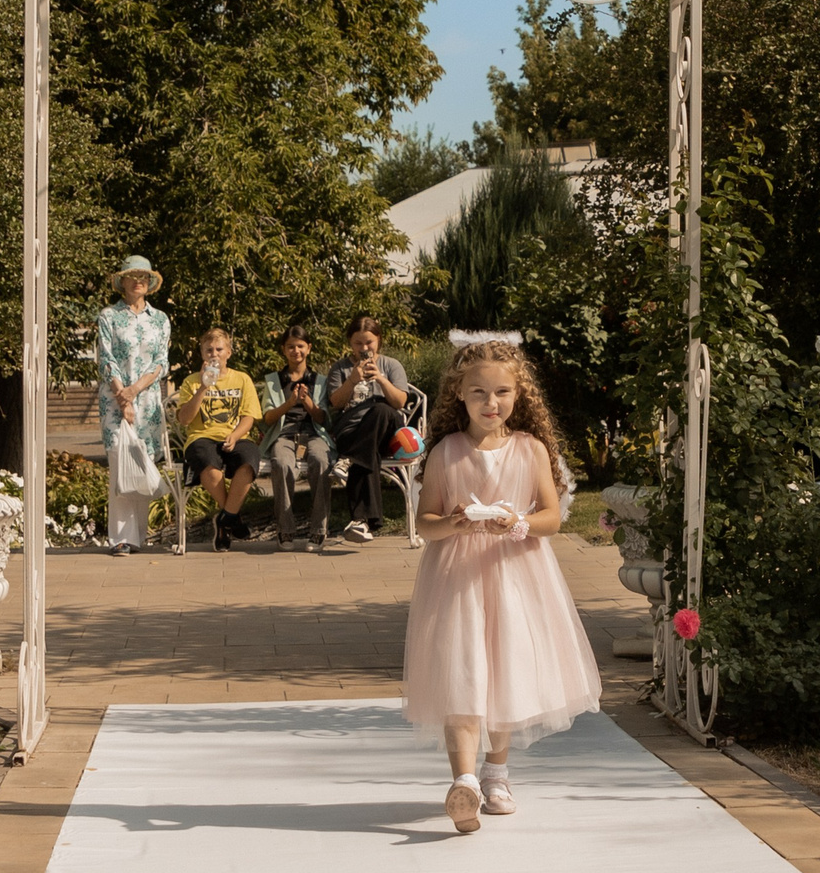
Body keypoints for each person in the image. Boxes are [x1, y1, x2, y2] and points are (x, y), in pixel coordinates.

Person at [404, 339, 602, 832]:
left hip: (516, 574)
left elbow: (552, 518)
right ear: (459, 396)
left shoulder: (530, 450)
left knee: (506, 668)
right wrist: (452, 523)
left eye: (502, 392)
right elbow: (424, 522)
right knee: (463, 671)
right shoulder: (446, 452)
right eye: (478, 393)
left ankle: (497, 772)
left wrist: (517, 522)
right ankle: (464, 782)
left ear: (520, 395)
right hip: (457, 579)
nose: (491, 403)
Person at [96, 256, 171, 555]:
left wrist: (136, 390)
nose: (137, 280)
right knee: (120, 463)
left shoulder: (160, 319)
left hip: (148, 399)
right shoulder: (109, 317)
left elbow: (160, 362)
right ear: (122, 282)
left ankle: (139, 535)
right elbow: (105, 358)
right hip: (114, 400)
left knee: (142, 463)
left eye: (143, 276)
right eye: (132, 276)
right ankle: (122, 539)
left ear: (150, 282)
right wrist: (122, 395)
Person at [172, 326, 262, 550]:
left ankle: (225, 519)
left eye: (219, 349)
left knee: (249, 461)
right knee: (207, 464)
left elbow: (249, 417)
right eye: (209, 350)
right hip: (202, 438)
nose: (214, 354)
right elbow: (184, 419)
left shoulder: (242, 379)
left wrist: (235, 435)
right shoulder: (191, 382)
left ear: (228, 353)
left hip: (236, 436)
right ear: (202, 354)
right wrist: (203, 387)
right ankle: (232, 517)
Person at [322, 315, 409, 543]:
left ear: (378, 340)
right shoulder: (340, 368)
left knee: (381, 409)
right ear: (350, 343)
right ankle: (361, 522)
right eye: (358, 343)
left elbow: (400, 402)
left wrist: (380, 379)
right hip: (351, 433)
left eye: (369, 342)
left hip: (387, 432)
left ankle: (348, 460)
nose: (364, 348)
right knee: (366, 453)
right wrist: (351, 380)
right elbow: (336, 403)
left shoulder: (391, 365)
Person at [258, 325, 335, 551]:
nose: (296, 351)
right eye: (290, 347)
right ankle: (285, 530)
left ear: (308, 348)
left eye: (300, 346)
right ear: (283, 350)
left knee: (321, 461)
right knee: (281, 463)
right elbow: (267, 419)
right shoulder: (273, 381)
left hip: (313, 433)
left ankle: (319, 530)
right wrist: (289, 403)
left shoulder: (320, 381)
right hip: (284, 433)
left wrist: (308, 403)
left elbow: (324, 420)